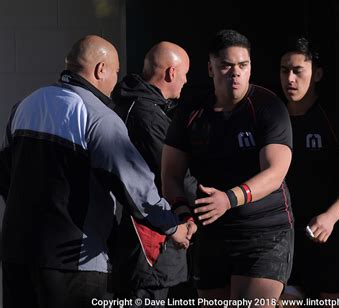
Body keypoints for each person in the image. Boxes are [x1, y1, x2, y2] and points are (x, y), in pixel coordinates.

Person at [0, 35, 195, 308]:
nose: (116, 80)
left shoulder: (24, 106)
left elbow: (5, 174)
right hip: (74, 262)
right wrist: (172, 225)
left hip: (15, 254)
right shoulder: (98, 116)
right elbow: (135, 185)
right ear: (100, 69)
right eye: (115, 72)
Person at [162, 29, 294, 307]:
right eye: (227, 65)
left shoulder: (268, 106)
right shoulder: (191, 111)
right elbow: (170, 174)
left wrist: (229, 198)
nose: (235, 73)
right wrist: (183, 214)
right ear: (211, 69)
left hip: (264, 231)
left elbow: (275, 172)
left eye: (243, 66)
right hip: (213, 232)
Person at [279, 37, 339, 307]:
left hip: (333, 234)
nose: (290, 78)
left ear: (317, 73)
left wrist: (331, 217)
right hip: (285, 237)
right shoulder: (271, 118)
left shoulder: (336, 119)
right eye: (284, 70)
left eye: (298, 70)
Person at [110, 41, 197, 305]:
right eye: (185, 74)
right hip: (148, 242)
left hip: (157, 238)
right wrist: (204, 208)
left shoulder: (143, 109)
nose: (185, 81)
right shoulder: (145, 115)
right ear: (171, 73)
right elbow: (174, 172)